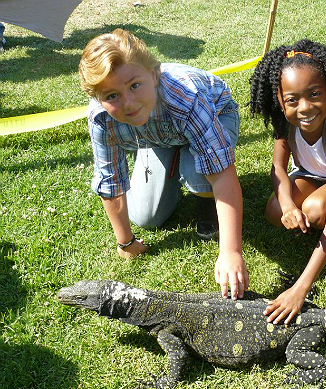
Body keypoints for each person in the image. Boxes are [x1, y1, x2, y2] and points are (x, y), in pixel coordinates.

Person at [79, 29, 248, 299]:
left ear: (154, 75)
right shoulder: (100, 118)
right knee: (147, 217)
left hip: (215, 112)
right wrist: (126, 242)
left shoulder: (186, 98)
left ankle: (204, 200)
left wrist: (231, 252)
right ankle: (179, 157)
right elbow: (110, 179)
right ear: (97, 98)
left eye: (135, 85)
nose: (128, 103)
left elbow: (223, 175)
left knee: (201, 175)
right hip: (157, 137)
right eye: (112, 96)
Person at [249, 39, 326, 324]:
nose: (304, 107)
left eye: (314, 94)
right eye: (292, 100)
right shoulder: (285, 125)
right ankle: (304, 218)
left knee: (318, 211)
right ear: (279, 103)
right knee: (276, 211)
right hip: (312, 176)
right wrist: (289, 206)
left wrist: (300, 287)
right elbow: (278, 169)